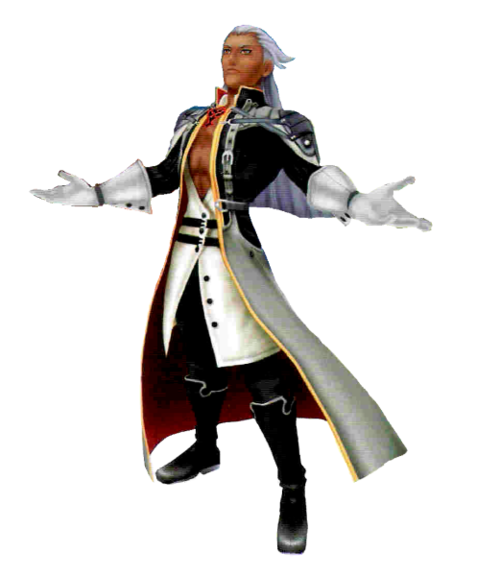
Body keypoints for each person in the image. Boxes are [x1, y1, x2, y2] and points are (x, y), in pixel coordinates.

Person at [30, 24, 432, 554]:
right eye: (226, 50)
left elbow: (308, 175)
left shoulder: (280, 125)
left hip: (235, 261)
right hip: (184, 259)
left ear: (266, 65)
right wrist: (99, 193)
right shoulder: (193, 118)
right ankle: (206, 448)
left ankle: (293, 488)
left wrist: (356, 204)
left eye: (245, 51)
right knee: (198, 359)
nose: (231, 58)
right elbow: (165, 174)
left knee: (265, 376)